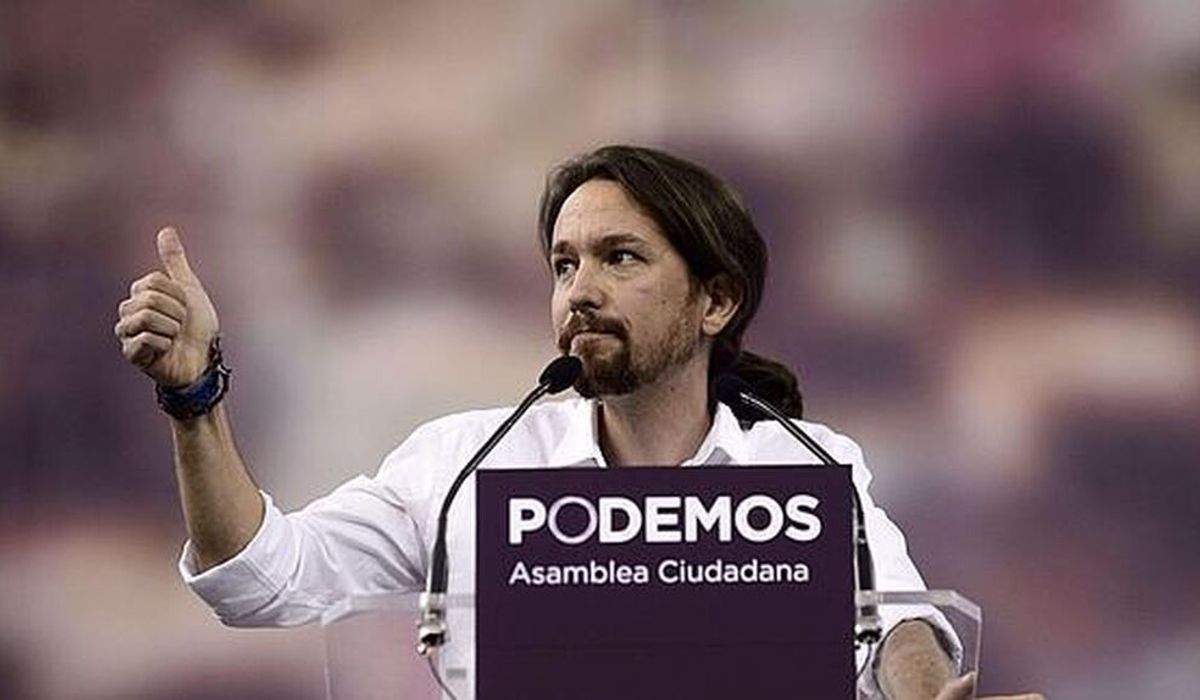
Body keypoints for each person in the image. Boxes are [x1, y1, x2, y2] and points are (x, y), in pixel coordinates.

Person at [114, 145, 1041, 700]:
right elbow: (260, 580)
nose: (579, 291)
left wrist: (927, 696)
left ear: (716, 301)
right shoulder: (463, 463)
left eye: (619, 258)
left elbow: (897, 625)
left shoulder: (802, 463)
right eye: (564, 264)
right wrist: (195, 401)